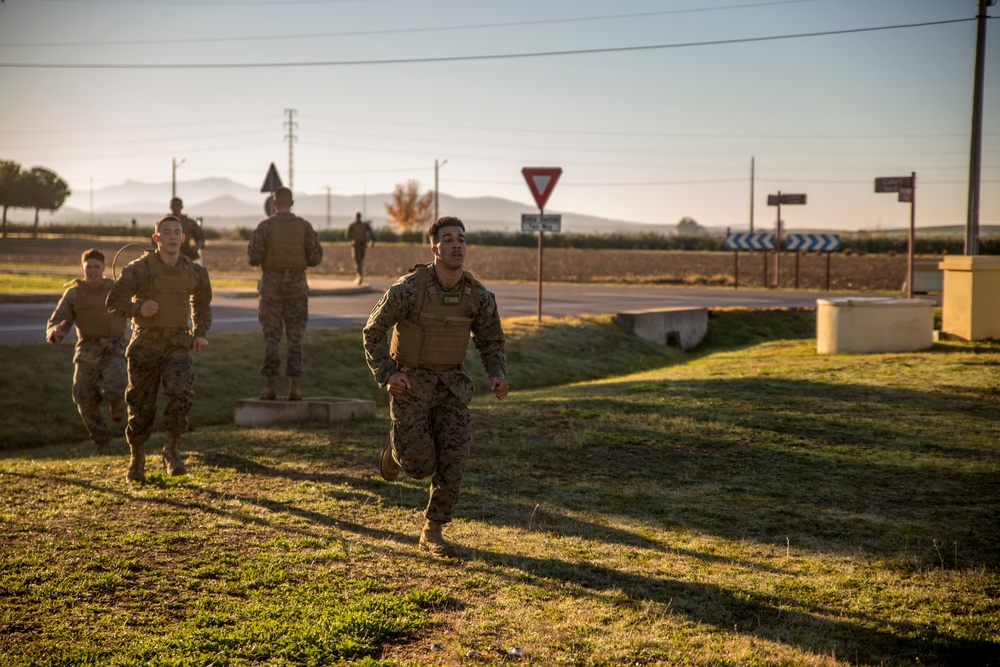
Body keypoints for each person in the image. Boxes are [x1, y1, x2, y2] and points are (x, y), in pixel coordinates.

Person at [363, 216, 509, 559]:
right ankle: (397, 452)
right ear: (435, 249)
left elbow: (491, 341)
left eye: (461, 239)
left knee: (454, 460)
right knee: (419, 466)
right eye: (448, 240)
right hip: (410, 384)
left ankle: (432, 531)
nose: (457, 245)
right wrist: (387, 374)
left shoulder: (478, 295)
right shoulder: (410, 288)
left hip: (452, 387)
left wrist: (497, 373)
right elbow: (373, 330)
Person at [107, 215, 212, 483]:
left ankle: (171, 449)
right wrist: (137, 308)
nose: (172, 237)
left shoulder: (194, 271)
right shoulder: (140, 269)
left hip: (177, 343)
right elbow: (113, 300)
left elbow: (201, 303)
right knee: (141, 404)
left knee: (181, 394)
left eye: (177, 232)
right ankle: (137, 457)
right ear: (156, 238)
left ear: (183, 238)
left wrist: (200, 333)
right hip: (145, 343)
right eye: (166, 232)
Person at [46, 248, 128, 455]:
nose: (92, 271)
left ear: (104, 268)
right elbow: (58, 320)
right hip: (87, 349)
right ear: (82, 268)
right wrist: (56, 332)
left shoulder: (116, 289)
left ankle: (117, 405)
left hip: (115, 348)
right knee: (83, 396)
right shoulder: (74, 294)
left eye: (96, 267)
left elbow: (135, 308)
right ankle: (102, 443)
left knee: (116, 384)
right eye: (88, 267)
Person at [247, 186, 323, 401]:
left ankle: (269, 386)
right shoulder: (304, 227)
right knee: (296, 336)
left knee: (271, 337)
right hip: (297, 286)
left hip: (271, 285)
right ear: (292, 202)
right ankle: (295, 387)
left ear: (273, 202)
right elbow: (315, 257)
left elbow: (253, 257)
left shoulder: (265, 227)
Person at [169, 197, 205, 263]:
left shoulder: (189, 223)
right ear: (170, 206)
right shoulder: (164, 223)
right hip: (167, 254)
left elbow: (200, 237)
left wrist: (197, 246)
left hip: (185, 254)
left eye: (177, 205)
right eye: (173, 205)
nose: (175, 207)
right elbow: (155, 238)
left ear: (181, 206)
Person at [346, 211, 375, 285]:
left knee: (357, 260)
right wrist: (372, 241)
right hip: (362, 244)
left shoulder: (353, 225)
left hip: (356, 245)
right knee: (360, 260)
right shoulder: (364, 225)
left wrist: (353, 238)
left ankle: (359, 275)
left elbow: (347, 235)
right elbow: (371, 233)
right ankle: (359, 275)